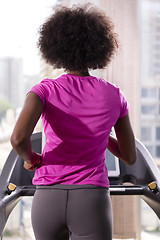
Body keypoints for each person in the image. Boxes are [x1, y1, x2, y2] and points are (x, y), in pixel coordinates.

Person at [10, 4, 137, 240]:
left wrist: (32, 159)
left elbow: (18, 139)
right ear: (99, 47)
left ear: (55, 46)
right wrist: (100, 135)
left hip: (48, 198)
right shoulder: (114, 94)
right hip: (91, 199)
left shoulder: (44, 90)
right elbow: (130, 156)